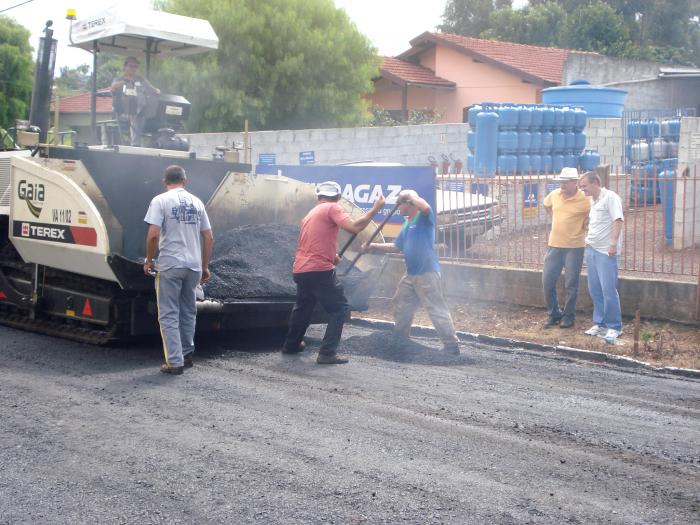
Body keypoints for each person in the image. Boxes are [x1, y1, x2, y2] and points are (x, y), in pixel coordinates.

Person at [282, 181, 385, 365]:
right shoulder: (331, 207)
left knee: (303, 307)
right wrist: (375, 209)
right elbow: (355, 227)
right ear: (338, 198)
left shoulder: (311, 214)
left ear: (318, 196)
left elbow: (313, 243)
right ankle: (327, 353)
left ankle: (291, 345)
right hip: (319, 270)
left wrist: (332, 257)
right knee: (340, 308)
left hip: (301, 269)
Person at [363, 189, 460, 354]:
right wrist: (373, 247)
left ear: (409, 203)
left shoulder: (424, 218)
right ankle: (401, 339)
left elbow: (426, 207)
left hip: (427, 273)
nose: (398, 207)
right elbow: (396, 246)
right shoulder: (407, 223)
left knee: (435, 308)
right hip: (411, 274)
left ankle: (451, 345)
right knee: (401, 303)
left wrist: (410, 196)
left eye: (400, 203)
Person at [144, 165, 213, 375]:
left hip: (171, 265)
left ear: (165, 182)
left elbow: (154, 234)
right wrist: (204, 266)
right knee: (188, 311)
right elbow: (208, 236)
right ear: (185, 181)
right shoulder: (197, 202)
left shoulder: (160, 200)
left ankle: (174, 362)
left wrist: (148, 260)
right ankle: (187, 354)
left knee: (168, 313)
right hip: (193, 266)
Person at [541, 167, 591, 329]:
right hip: (554, 245)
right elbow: (545, 204)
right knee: (547, 281)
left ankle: (568, 317)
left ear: (575, 183)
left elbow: (594, 209)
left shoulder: (584, 198)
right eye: (560, 181)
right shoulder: (555, 194)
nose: (562, 185)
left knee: (571, 284)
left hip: (574, 247)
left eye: (565, 182)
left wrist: (587, 220)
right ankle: (554, 314)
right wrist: (554, 216)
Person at [578, 171, 624, 342]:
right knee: (595, 289)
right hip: (592, 249)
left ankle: (614, 326)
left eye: (584, 186)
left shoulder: (611, 197)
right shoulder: (593, 200)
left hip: (606, 252)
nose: (582, 190)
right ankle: (600, 323)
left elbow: (617, 220)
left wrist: (612, 244)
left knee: (608, 290)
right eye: (581, 187)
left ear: (595, 182)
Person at [110, 56, 160, 146]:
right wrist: (126, 82)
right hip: (123, 111)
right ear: (124, 67)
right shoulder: (119, 79)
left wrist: (157, 91)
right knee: (135, 115)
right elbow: (113, 87)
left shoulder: (141, 79)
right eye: (131, 66)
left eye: (135, 66)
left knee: (156, 117)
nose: (133, 68)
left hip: (141, 110)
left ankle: (157, 142)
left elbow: (153, 90)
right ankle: (135, 144)